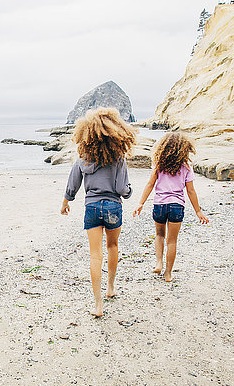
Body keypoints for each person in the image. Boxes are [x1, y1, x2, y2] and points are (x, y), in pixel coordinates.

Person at [61, 107, 136, 317]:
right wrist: (129, 193)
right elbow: (123, 189)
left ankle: (98, 305)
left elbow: (73, 184)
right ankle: (111, 287)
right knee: (112, 246)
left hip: (92, 207)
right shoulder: (119, 157)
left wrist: (65, 203)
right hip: (113, 206)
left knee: (95, 255)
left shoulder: (83, 158)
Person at [133, 132, 209, 282]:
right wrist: (198, 211)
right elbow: (191, 190)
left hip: (160, 204)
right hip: (176, 206)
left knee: (159, 235)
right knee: (172, 241)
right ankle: (168, 274)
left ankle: (159, 262)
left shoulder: (159, 164)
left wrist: (141, 203)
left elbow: (150, 184)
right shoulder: (186, 167)